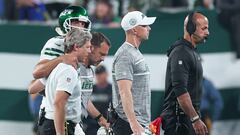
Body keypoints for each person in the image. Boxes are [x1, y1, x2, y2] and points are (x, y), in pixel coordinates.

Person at [29, 31, 111, 133]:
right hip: (57, 121)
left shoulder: (84, 69)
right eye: (88, 47)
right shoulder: (68, 69)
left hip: (70, 122)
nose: (103, 58)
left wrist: (101, 119)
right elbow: (35, 89)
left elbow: (83, 98)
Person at [161, 12, 209, 135]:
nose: (207, 33)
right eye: (204, 28)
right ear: (190, 28)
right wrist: (195, 119)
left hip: (187, 119)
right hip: (179, 121)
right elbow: (181, 91)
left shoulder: (190, 51)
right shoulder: (181, 52)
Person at [111, 11, 156, 135]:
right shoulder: (125, 55)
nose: (149, 28)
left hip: (138, 123)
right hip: (129, 125)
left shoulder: (133, 52)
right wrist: (134, 123)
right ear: (134, 30)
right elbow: (124, 92)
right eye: (145, 25)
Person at [43, 28, 92, 135]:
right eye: (87, 47)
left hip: (62, 124)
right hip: (60, 126)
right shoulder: (68, 70)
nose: (90, 51)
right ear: (76, 47)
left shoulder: (63, 68)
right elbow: (59, 103)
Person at [83, 65, 112, 135]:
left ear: (106, 74)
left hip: (107, 122)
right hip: (91, 124)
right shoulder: (91, 89)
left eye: (101, 74)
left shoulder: (112, 89)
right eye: (97, 74)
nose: (99, 76)